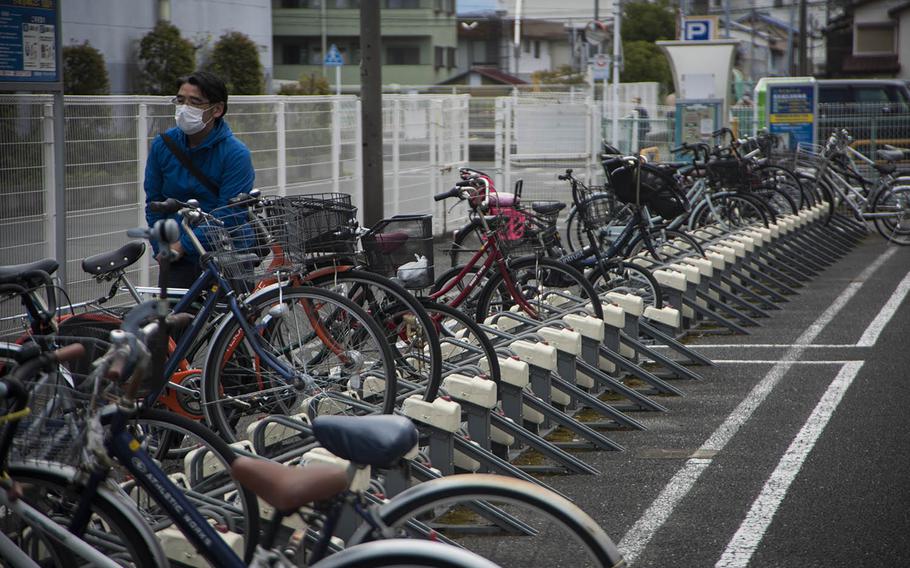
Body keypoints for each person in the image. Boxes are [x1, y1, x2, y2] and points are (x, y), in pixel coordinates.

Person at [144, 71, 255, 289]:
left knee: (232, 321)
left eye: (195, 102)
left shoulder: (235, 153)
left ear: (217, 109)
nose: (185, 108)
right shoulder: (162, 145)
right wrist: (161, 246)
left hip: (226, 253)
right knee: (176, 320)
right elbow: (154, 203)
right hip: (177, 257)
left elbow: (230, 212)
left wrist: (183, 245)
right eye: (180, 100)